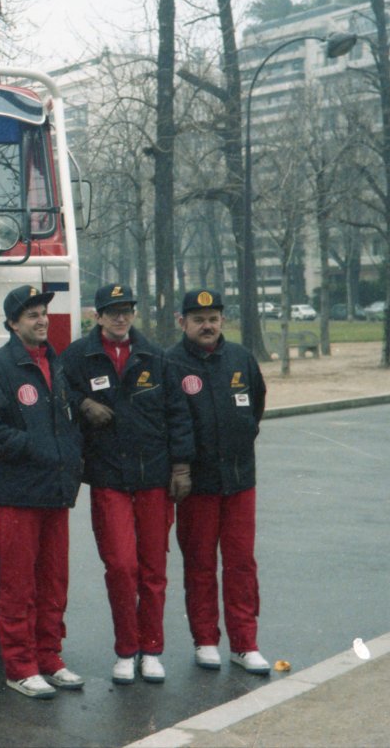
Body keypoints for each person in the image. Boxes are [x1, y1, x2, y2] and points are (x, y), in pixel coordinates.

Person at [61, 283, 193, 685]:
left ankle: (151, 650)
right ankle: (126, 649)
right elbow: (56, 388)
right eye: (112, 311)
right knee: (120, 566)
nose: (121, 317)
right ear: (97, 316)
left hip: (153, 477)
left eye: (127, 310)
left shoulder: (156, 357)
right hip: (109, 478)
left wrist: (181, 467)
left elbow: (178, 414)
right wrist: (82, 402)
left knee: (153, 568)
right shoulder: (79, 357)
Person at [0, 285, 85, 699]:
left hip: (55, 491)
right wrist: (32, 448)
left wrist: (69, 456)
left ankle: (50, 659)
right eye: (31, 314)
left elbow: (69, 422)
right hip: (18, 493)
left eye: (44, 313)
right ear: (13, 323)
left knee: (54, 582)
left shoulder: (57, 364)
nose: (41, 320)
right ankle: (20, 666)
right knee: (18, 585)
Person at [167, 289, 271, 675]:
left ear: (222, 320)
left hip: (241, 480)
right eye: (198, 319)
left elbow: (256, 405)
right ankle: (205, 640)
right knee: (199, 564)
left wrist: (240, 437)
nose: (207, 325)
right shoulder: (171, 363)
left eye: (213, 318)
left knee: (241, 563)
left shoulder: (241, 358)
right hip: (197, 485)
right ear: (183, 323)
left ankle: (245, 644)